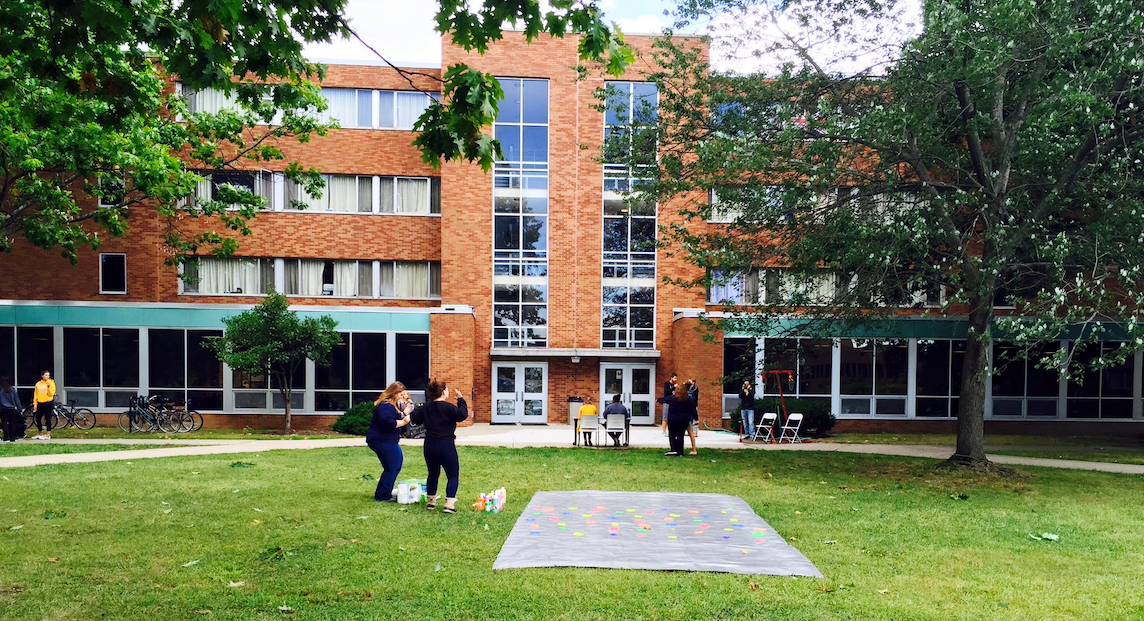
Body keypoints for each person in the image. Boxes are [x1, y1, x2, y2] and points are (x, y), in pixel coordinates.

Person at [410, 379, 468, 514]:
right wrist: (460, 399)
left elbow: (415, 418)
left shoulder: (426, 408)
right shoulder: (448, 408)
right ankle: (449, 504)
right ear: (443, 392)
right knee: (452, 475)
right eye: (446, 389)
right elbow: (462, 414)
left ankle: (431, 501)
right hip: (446, 444)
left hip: (429, 444)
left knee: (433, 473)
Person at [366, 381, 414, 502]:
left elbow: (395, 418)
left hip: (388, 440)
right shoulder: (385, 406)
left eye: (404, 394)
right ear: (393, 393)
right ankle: (382, 495)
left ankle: (384, 493)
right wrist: (404, 420)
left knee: (394, 466)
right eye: (401, 394)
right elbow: (388, 422)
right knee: (392, 466)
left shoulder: (392, 406)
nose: (403, 397)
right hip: (381, 440)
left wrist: (404, 412)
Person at [657, 383, 696, 457]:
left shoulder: (672, 398)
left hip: (673, 420)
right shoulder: (689, 399)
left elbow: (663, 399)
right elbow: (693, 410)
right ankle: (680, 451)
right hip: (684, 420)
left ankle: (673, 450)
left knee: (672, 435)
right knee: (680, 435)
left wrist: (658, 400)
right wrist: (696, 418)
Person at [32, 370, 56, 440]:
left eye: (48, 375)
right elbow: (35, 395)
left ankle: (48, 434)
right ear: (42, 376)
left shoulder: (51, 382)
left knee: (47, 418)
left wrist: (48, 387)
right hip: (40, 402)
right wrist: (35, 404)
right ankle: (40, 432)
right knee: (38, 418)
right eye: (46, 375)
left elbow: (51, 393)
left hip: (48, 402)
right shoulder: (38, 384)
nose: (47, 376)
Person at [0, 377, 22, 442]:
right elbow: (17, 400)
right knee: (12, 423)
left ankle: (6, 437)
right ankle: (12, 437)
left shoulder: (1, 390)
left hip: (3, 409)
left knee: (4, 423)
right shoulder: (12, 390)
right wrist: (20, 409)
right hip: (11, 409)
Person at [685, 379, 699, 455]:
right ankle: (694, 449)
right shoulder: (690, 394)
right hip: (689, 415)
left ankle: (693, 449)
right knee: (690, 432)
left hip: (687, 415)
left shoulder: (689, 395)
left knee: (689, 432)